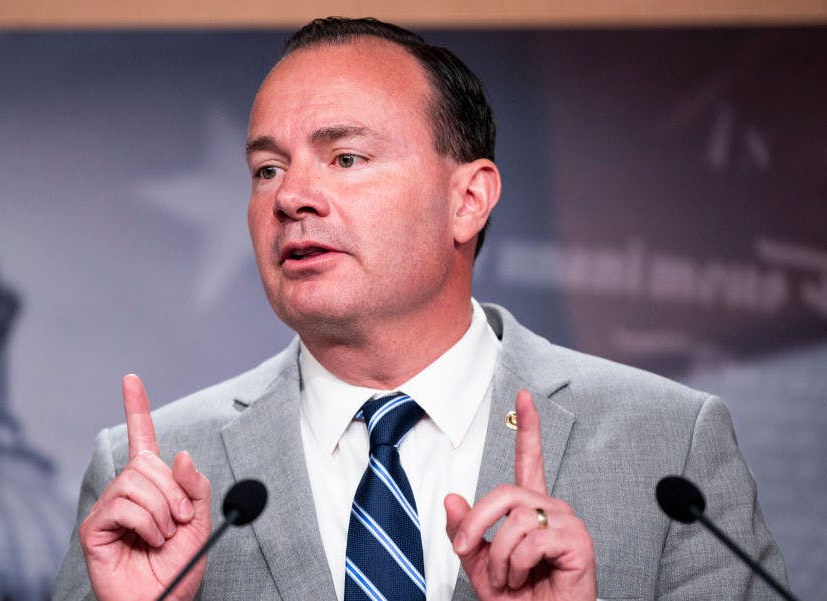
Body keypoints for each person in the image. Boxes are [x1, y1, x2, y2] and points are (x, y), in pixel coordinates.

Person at [54, 17, 786, 601]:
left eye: (345, 158)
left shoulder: (670, 449)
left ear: (467, 200)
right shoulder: (151, 476)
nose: (291, 196)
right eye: (267, 169)